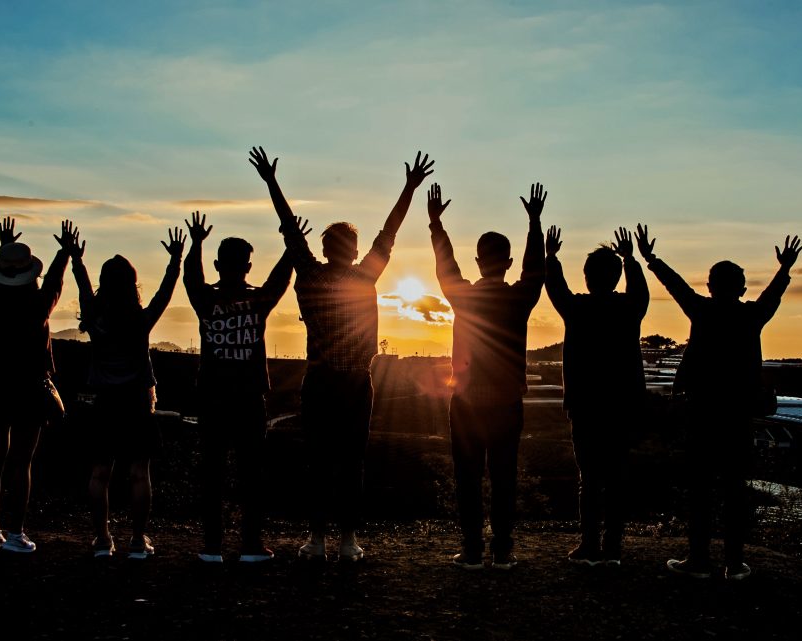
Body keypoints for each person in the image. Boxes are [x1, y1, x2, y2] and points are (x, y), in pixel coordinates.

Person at [250, 145, 434, 562]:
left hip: (320, 380)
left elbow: (289, 229)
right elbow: (389, 232)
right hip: (354, 383)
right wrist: (408, 188)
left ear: (325, 246)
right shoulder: (364, 275)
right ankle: (348, 540)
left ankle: (317, 539)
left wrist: (272, 182)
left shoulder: (310, 274)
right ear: (352, 250)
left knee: (318, 461)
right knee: (352, 462)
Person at [637, 225, 802, 581]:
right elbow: (773, 295)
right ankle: (734, 562)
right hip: (738, 414)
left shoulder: (701, 310)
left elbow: (676, 285)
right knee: (734, 489)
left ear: (709, 286)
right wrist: (784, 268)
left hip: (701, 412)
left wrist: (651, 259)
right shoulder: (751, 316)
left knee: (700, 489)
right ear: (742, 288)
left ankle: (698, 559)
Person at [428, 181, 546, 571]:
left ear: (478, 261)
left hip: (465, 402)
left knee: (468, 477)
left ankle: (473, 550)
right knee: (504, 477)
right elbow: (536, 271)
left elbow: (446, 268)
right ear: (507, 262)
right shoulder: (519, 298)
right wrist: (534, 224)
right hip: (508, 401)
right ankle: (503, 550)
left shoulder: (463, 296)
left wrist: (436, 226)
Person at [182, 210, 309, 564]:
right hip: (250, 398)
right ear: (248, 266)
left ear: (219, 264)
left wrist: (195, 243)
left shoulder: (206, 300)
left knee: (212, 471)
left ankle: (211, 547)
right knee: (251, 472)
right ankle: (251, 545)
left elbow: (190, 277)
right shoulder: (258, 300)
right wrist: (291, 245)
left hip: (212, 396)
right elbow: (281, 280)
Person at [71, 226, 186, 560]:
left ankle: (102, 540)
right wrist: (175, 261)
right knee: (139, 473)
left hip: (104, 402)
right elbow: (165, 293)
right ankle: (137, 540)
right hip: (137, 401)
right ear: (132, 284)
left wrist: (77, 259)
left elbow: (82, 287)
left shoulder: (94, 317)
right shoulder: (140, 320)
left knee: (100, 473)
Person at [544, 225, 649, 567]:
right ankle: (613, 548)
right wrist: (631, 259)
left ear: (587, 277)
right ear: (616, 277)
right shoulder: (630, 308)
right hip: (622, 406)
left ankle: (589, 546)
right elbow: (641, 292)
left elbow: (555, 288)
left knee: (589, 480)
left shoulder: (577, 309)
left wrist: (551, 257)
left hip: (586, 406)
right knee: (617, 477)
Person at [0, 217, 79, 553]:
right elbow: (53, 282)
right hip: (29, 385)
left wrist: (3, 247)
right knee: (22, 462)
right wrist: (65, 251)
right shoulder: (37, 305)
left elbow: (6, 279)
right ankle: (16, 531)